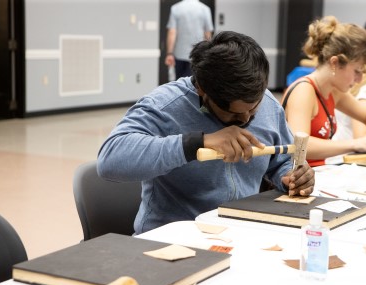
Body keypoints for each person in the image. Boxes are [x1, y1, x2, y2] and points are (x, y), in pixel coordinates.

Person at [97, 31, 315, 234]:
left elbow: (281, 162)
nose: (246, 119)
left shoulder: (267, 103)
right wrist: (197, 143)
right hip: (176, 238)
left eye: (253, 108)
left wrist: (291, 177)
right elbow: (109, 160)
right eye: (234, 113)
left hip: (240, 232)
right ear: (202, 89)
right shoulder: (165, 106)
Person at [281, 16, 366, 167]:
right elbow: (300, 146)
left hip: (315, 174)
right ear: (335, 63)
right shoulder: (304, 91)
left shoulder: (335, 92)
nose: (360, 79)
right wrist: (354, 144)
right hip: (294, 180)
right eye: (357, 71)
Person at [164, 0, 214, 80]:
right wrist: (207, 53)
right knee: (194, 84)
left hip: (179, 55)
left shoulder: (176, 8)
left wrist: (170, 53)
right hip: (197, 55)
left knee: (179, 84)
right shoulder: (205, 9)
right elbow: (208, 34)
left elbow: (172, 32)